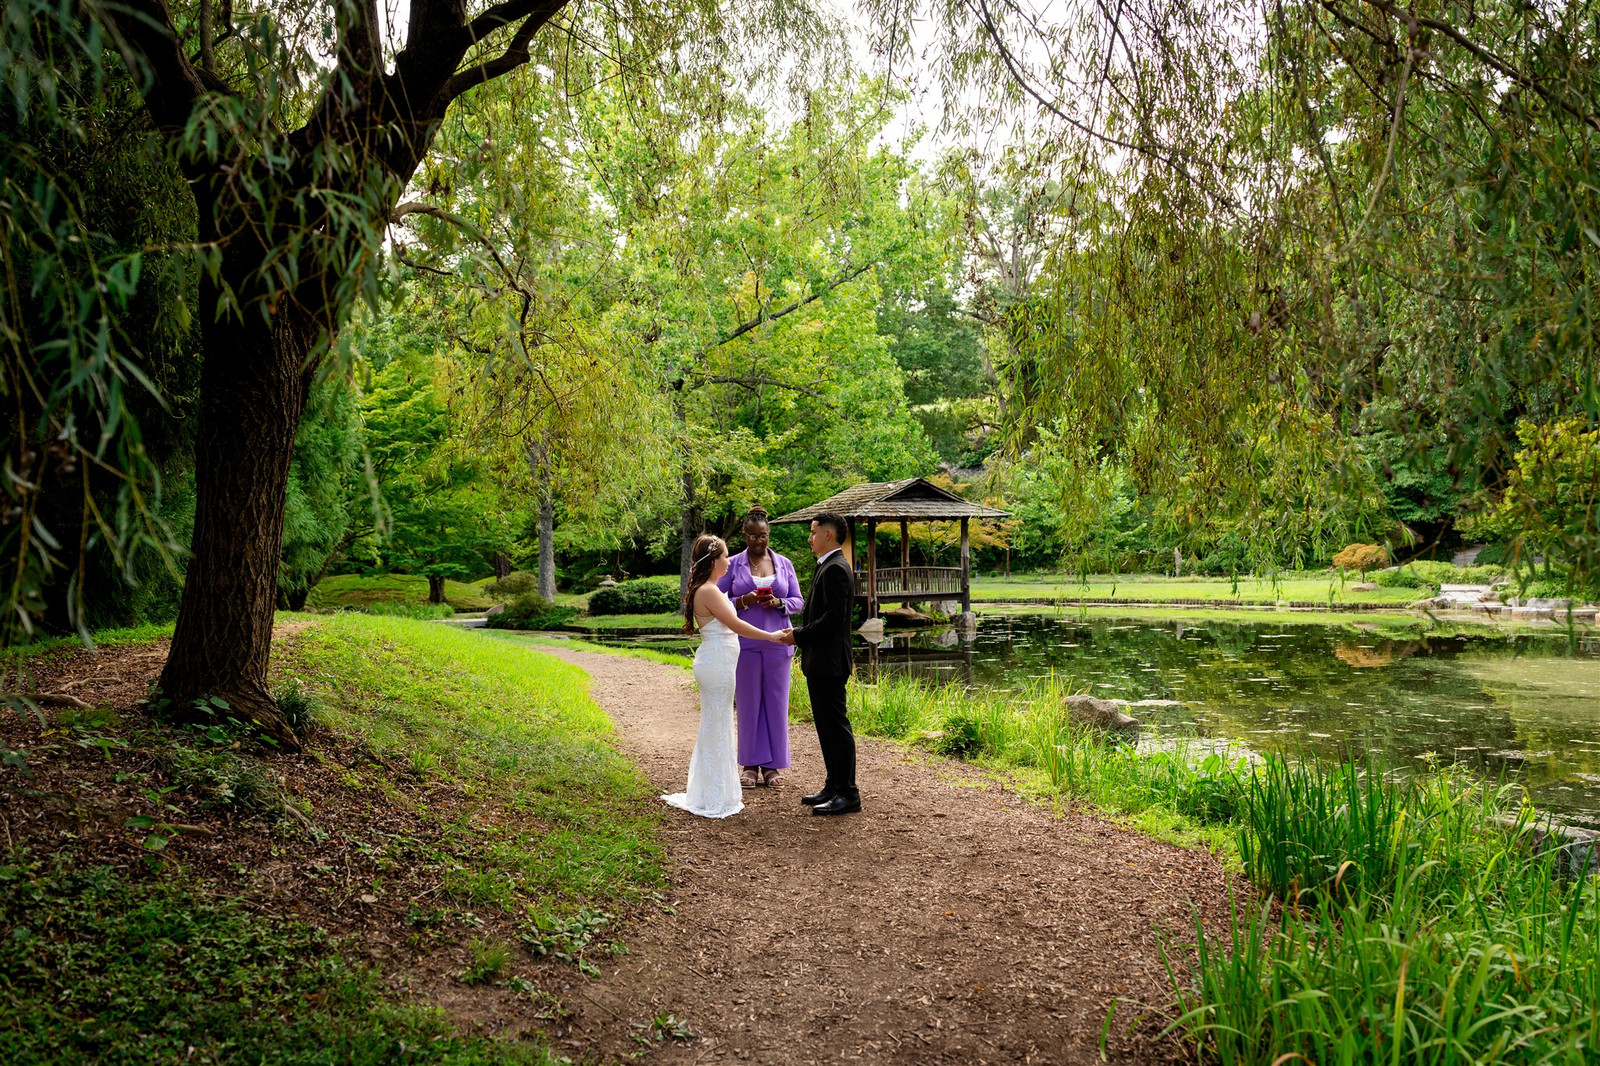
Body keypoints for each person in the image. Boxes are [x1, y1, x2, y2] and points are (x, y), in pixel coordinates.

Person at [662, 534, 787, 819]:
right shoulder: (708, 591)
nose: (729, 561)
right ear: (713, 560)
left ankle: (713, 789)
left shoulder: (711, 589)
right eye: (725, 556)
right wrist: (771, 636)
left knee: (717, 724)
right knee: (717, 725)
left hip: (720, 662)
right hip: (716, 664)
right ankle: (714, 794)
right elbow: (737, 625)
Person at [716, 506, 805, 788]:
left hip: (780, 641)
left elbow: (799, 601)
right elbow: (716, 601)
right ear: (744, 536)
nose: (758, 541)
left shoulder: (784, 564)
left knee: (776, 705)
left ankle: (772, 766)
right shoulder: (732, 565)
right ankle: (749, 765)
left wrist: (779, 603)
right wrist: (745, 601)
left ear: (769, 535)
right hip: (745, 643)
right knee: (749, 703)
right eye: (753, 536)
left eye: (763, 536)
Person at [778, 511, 860, 816]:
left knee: (836, 727)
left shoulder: (837, 568)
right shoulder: (828, 566)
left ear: (828, 534)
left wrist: (797, 635)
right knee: (826, 727)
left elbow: (833, 620)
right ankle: (834, 785)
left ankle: (848, 793)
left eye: (813, 532)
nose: (810, 538)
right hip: (821, 661)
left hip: (830, 662)